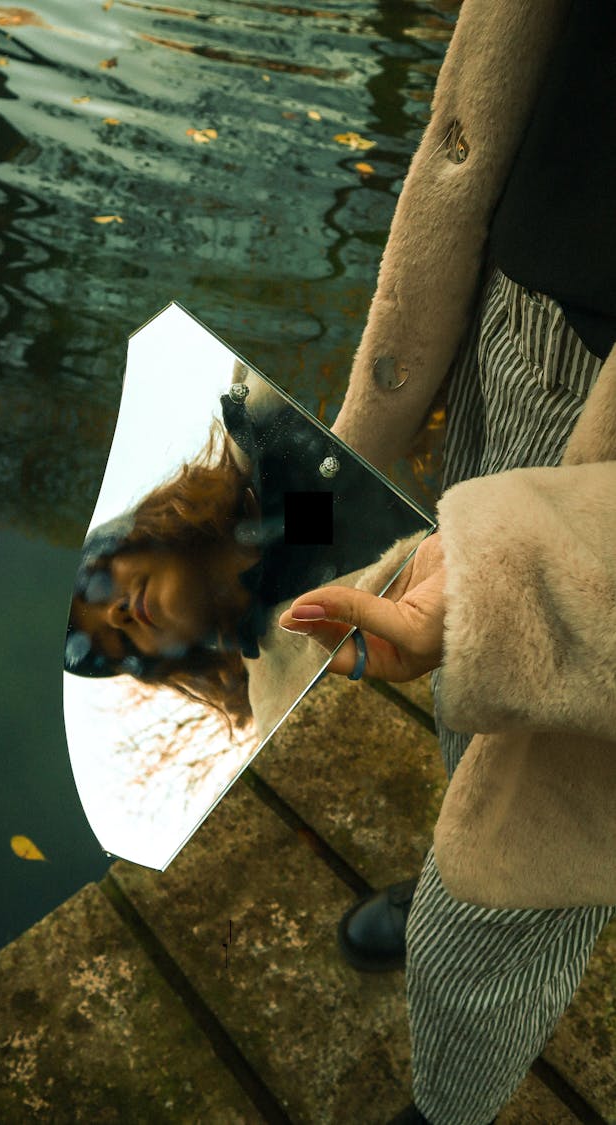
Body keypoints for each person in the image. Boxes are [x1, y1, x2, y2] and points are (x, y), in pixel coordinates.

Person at [278, 0, 616, 1122]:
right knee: (467, 713)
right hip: (514, 311)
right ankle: (442, 887)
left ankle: (447, 1112)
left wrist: (525, 584)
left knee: (526, 861)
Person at [65, 383, 425, 729]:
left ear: (126, 541)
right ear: (158, 661)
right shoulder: (286, 696)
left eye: (98, 583)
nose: (114, 614)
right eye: (122, 644)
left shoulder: (260, 408)